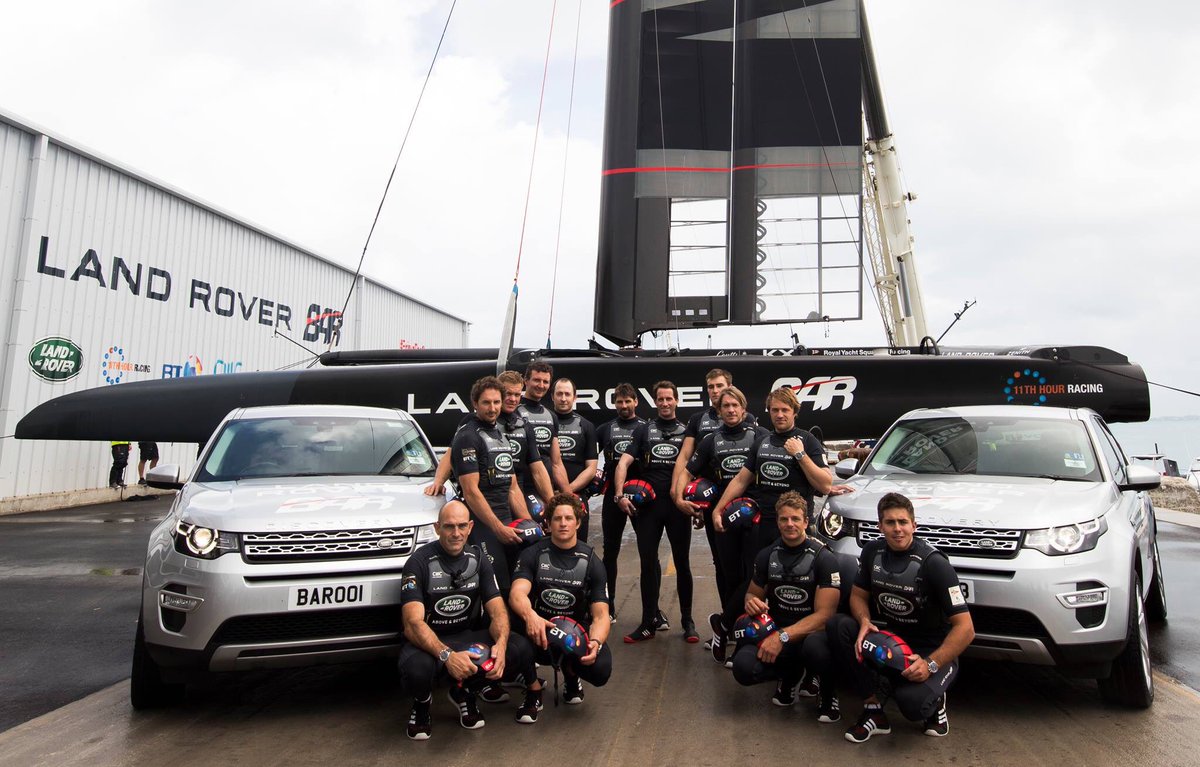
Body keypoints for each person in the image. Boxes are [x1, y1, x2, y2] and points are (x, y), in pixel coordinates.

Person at [826, 492, 975, 742]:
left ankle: (936, 702)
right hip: (894, 642)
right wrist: (864, 621)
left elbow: (966, 629)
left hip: (931, 650)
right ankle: (874, 710)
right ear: (880, 526)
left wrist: (931, 664)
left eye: (903, 522)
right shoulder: (873, 551)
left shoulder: (935, 564)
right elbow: (858, 596)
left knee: (911, 705)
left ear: (914, 525)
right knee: (838, 625)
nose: (898, 529)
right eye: (890, 523)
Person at [708, 388, 833, 661]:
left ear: (794, 412)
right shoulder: (762, 441)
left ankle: (795, 648)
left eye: (784, 410)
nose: (779, 415)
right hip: (763, 524)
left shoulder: (807, 441)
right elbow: (741, 479)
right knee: (755, 584)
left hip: (797, 527)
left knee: (800, 585)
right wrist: (718, 509)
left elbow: (824, 483)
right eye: (774, 410)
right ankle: (740, 637)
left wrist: (800, 455)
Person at [399, 501, 541, 740]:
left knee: (521, 648)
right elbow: (412, 624)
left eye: (462, 526)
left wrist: (501, 646)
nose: (456, 533)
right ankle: (422, 704)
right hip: (431, 642)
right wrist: (447, 656)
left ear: (470, 526)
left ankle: (466, 693)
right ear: (437, 528)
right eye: (449, 527)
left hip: (467, 637)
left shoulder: (478, 559)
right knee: (417, 670)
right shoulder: (418, 562)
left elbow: (497, 611)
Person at [729, 492, 841, 722]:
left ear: (806, 521)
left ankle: (828, 691)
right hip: (777, 630)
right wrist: (751, 601)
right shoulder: (767, 555)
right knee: (743, 667)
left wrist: (782, 637)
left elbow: (825, 616)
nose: (789, 524)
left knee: (817, 648)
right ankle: (789, 676)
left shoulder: (824, 558)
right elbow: (752, 592)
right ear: (778, 521)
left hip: (810, 635)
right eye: (784, 519)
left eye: (795, 519)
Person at [675, 387, 769, 659]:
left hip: (754, 517)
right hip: (722, 518)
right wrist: (681, 500)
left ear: (743, 408)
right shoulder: (710, 441)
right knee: (730, 577)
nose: (730, 410)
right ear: (719, 411)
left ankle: (730, 627)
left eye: (734, 405)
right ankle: (728, 633)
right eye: (725, 406)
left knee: (753, 577)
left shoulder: (759, 436)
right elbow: (687, 471)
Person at [613, 380, 696, 643]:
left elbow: (698, 471)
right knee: (648, 563)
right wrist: (619, 495)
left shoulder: (686, 432)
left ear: (676, 400)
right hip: (648, 507)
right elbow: (623, 464)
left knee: (682, 563)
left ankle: (688, 622)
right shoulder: (643, 431)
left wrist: (699, 507)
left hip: (677, 506)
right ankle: (648, 621)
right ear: (655, 401)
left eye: (669, 399)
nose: (665, 403)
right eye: (660, 399)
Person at [509, 493, 612, 705]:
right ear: (547, 524)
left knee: (601, 669)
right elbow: (517, 593)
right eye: (557, 519)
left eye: (568, 518)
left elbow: (601, 615)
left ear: (578, 523)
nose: (563, 524)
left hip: (574, 631)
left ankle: (571, 674)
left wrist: (595, 642)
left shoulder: (592, 562)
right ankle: (532, 687)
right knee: (508, 640)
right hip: (539, 628)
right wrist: (531, 617)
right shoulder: (532, 554)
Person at [595, 382, 659, 623]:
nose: (623, 406)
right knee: (610, 553)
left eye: (627, 401)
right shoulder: (605, 429)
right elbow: (592, 461)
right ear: (614, 403)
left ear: (636, 402)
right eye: (619, 402)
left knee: (649, 554)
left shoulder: (646, 428)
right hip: (614, 497)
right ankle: (607, 606)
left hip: (642, 498)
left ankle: (654, 611)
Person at [551, 377, 599, 541]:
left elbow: (591, 468)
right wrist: (551, 494)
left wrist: (567, 492)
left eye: (567, 394)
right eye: (559, 394)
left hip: (576, 496)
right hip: (547, 495)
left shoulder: (586, 426)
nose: (563, 398)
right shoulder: (542, 423)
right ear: (553, 397)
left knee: (579, 544)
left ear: (575, 397)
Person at [517, 362, 572, 497]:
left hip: (545, 488)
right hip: (520, 488)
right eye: (536, 380)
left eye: (545, 382)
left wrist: (569, 496)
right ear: (526, 381)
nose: (541, 385)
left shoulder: (551, 416)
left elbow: (556, 462)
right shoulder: (514, 412)